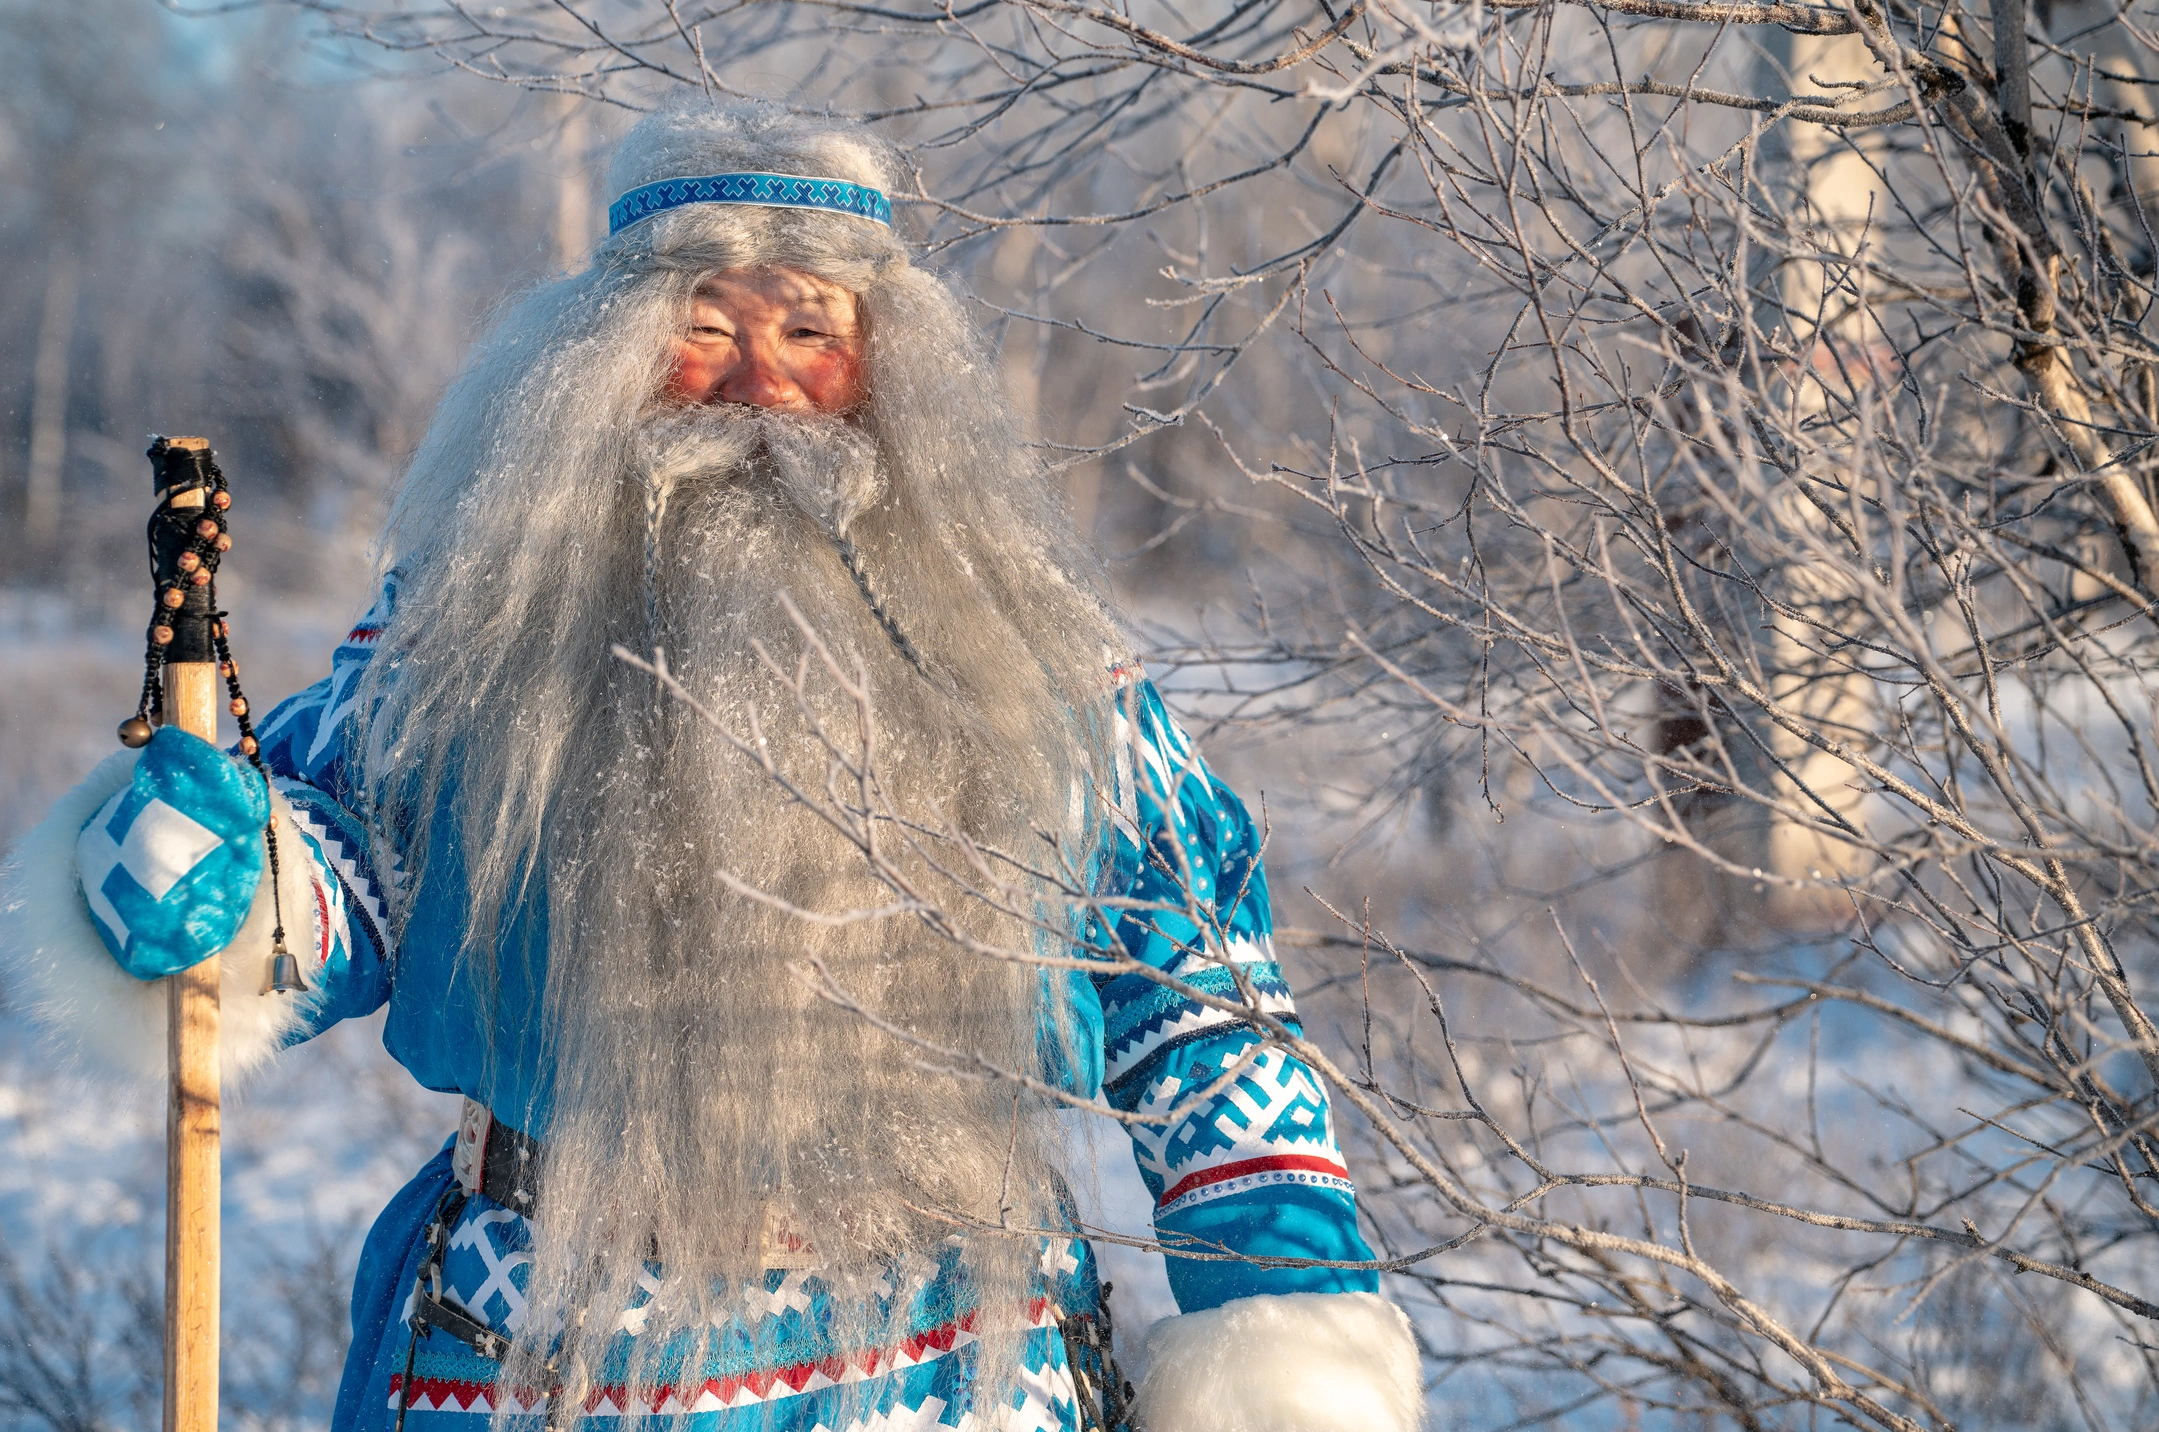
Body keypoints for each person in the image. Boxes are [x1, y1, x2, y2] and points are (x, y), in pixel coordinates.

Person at [0, 99, 1421, 1432]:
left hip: (958, 1350)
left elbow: (1196, 997)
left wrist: (1280, 1314)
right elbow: (349, 864)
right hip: (552, 1337)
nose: (759, 383)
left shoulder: (1035, 656)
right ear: (601, 354)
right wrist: (218, 880)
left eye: (811, 327)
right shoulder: (475, 619)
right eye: (701, 326)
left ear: (893, 361)